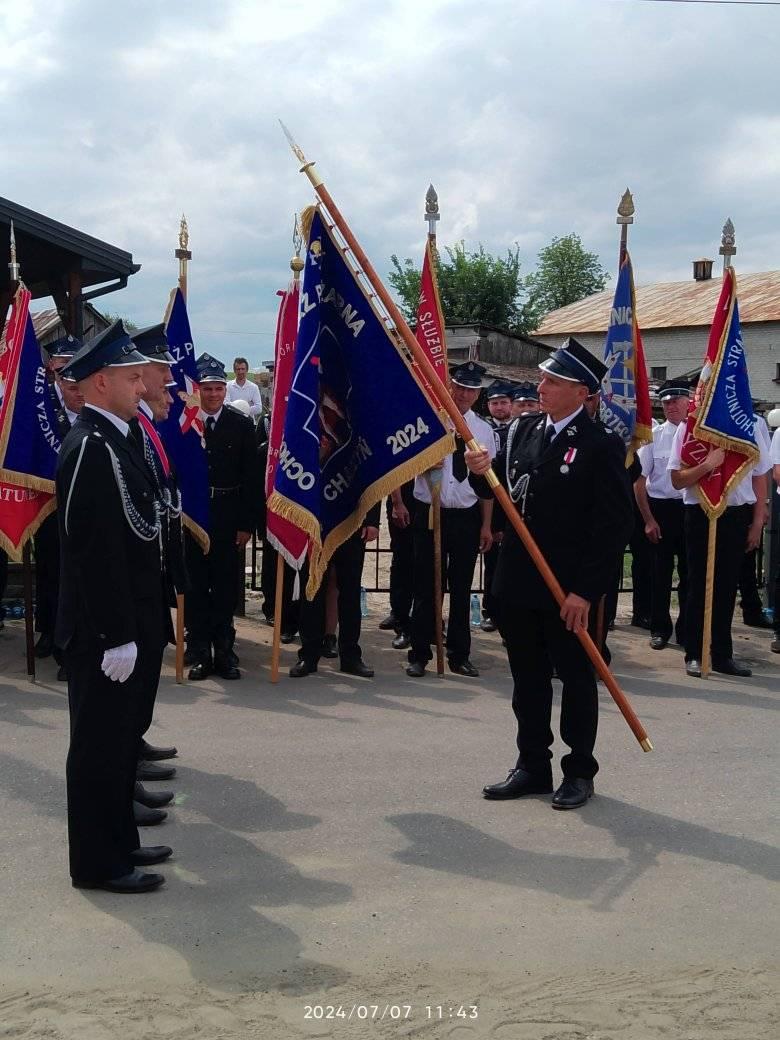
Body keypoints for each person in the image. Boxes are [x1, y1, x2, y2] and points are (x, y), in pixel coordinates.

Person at [466, 337, 632, 810]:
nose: (541, 387)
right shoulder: (522, 430)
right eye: (542, 379)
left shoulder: (601, 445)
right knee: (528, 678)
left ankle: (578, 771)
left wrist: (585, 591)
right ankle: (532, 765)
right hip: (520, 579)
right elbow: (497, 490)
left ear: (582, 392)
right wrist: (477, 468)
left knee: (576, 679)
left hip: (567, 588)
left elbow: (612, 527)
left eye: (553, 381)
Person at [55, 320, 172, 893]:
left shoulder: (116, 438)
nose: (142, 385)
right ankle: (98, 865)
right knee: (98, 748)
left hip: (130, 619)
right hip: (103, 631)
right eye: (131, 378)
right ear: (101, 382)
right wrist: (114, 633)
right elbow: (90, 551)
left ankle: (119, 843)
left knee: (119, 744)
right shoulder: (88, 446)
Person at [128, 323, 186, 820]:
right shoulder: (131, 429)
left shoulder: (144, 426)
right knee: (133, 678)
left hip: (154, 566)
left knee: (146, 671)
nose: (169, 380)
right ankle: (127, 760)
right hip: (139, 573)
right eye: (161, 370)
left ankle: (134, 746)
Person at [406, 361, 495, 678]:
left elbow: (487, 484)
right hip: (431, 511)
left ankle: (459, 654)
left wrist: (486, 525)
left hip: (466, 515)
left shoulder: (483, 430)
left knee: (461, 588)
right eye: (459, 387)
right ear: (450, 386)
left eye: (471, 389)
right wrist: (425, 462)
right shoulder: (429, 421)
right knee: (426, 586)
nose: (463, 394)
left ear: (478, 394)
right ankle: (419, 653)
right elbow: (407, 465)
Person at [669, 413, 772, 678]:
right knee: (697, 585)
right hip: (700, 513)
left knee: (726, 586)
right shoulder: (690, 427)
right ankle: (695, 654)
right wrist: (707, 465)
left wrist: (757, 521)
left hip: (736, 514)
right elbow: (677, 480)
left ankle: (722, 655)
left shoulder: (750, 424)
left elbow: (760, 474)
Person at [185, 354, 259, 681]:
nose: (213, 394)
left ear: (224, 390)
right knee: (197, 586)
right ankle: (201, 651)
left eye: (218, 388)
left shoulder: (240, 424)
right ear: (198, 390)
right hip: (194, 517)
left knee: (226, 587)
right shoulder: (186, 425)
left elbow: (251, 478)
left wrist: (246, 524)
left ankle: (225, 651)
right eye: (207, 389)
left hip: (228, 514)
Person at [33, 336, 84, 680]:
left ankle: (70, 642)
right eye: (63, 367)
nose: (69, 374)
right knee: (49, 570)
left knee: (74, 576)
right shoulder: (42, 404)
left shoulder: (87, 402)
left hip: (80, 506)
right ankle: (48, 630)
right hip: (48, 503)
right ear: (52, 368)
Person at [289, 504, 380, 678]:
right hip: (316, 523)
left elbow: (370, 486)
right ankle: (308, 656)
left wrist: (372, 521)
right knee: (312, 591)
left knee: (350, 593)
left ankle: (351, 657)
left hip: (352, 522)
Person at [634, 379, 690, 650]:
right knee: (659, 574)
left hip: (690, 509)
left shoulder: (698, 435)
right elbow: (639, 482)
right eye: (666, 402)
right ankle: (659, 629)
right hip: (661, 509)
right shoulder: (654, 436)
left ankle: (687, 630)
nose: (670, 406)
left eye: (676, 401)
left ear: (689, 402)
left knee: (690, 575)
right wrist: (648, 520)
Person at [481, 381, 513, 632]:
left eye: (503, 402)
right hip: (490, 506)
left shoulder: (519, 430)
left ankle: (509, 615)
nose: (499, 407)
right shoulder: (483, 430)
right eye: (495, 403)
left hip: (512, 507)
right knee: (491, 566)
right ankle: (490, 611)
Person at [383, 481, 418, 649]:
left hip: (432, 500)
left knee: (429, 565)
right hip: (405, 497)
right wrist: (397, 502)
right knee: (403, 560)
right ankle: (402, 621)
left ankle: (430, 624)